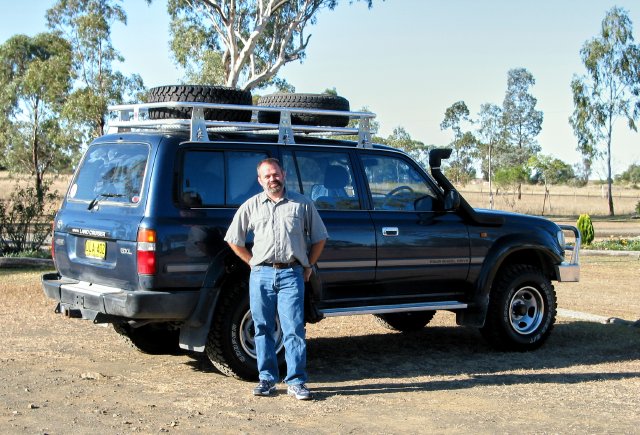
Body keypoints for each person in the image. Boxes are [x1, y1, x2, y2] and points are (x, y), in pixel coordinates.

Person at [224, 157, 328, 400]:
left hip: (292, 273)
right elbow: (233, 239)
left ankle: (297, 382)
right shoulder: (251, 206)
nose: (273, 179)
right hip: (261, 274)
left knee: (293, 329)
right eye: (267, 176)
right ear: (260, 180)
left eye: (276, 174)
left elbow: (319, 237)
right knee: (262, 328)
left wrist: (309, 264)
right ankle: (267, 379)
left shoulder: (301, 204)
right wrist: (251, 261)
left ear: (284, 174)